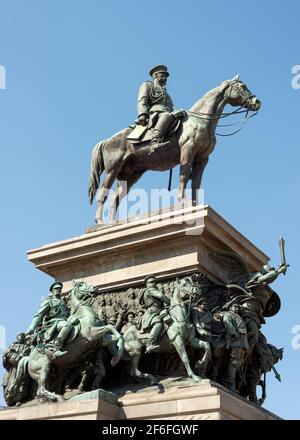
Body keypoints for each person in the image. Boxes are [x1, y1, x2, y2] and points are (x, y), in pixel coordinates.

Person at [136, 65, 176, 154]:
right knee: (166, 115)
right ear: (156, 75)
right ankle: (154, 142)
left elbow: (170, 106)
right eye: (163, 75)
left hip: (168, 112)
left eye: (166, 76)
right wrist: (142, 114)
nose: (166, 78)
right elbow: (142, 99)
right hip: (156, 112)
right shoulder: (148, 85)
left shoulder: (165, 91)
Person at [26, 281, 73, 356]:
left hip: (64, 320)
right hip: (54, 323)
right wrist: (31, 328)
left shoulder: (64, 302)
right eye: (56, 288)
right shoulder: (48, 302)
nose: (58, 290)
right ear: (52, 291)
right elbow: (39, 315)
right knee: (67, 325)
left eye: (60, 288)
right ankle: (56, 346)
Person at [139, 275, 170, 353]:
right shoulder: (150, 290)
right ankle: (150, 343)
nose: (154, 283)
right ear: (147, 284)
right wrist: (170, 302)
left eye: (154, 282)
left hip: (159, 310)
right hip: (153, 312)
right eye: (151, 282)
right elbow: (161, 296)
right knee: (158, 323)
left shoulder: (153, 289)